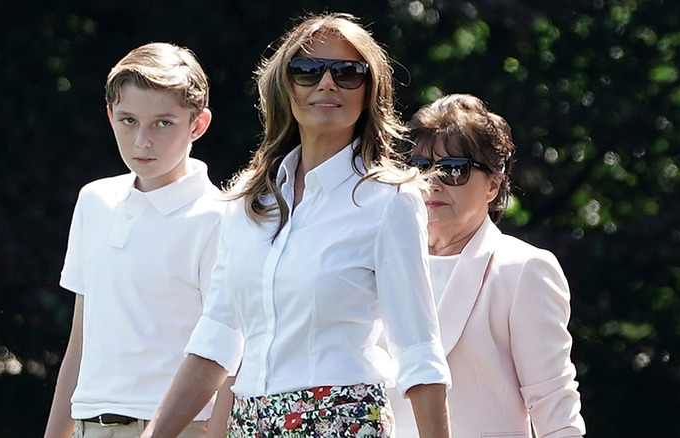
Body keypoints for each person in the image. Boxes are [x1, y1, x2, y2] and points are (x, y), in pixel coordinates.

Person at [142, 12, 452, 438]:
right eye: (307, 70)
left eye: (347, 73)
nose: (326, 83)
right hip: (249, 422)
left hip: (343, 420)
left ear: (370, 91)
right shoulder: (247, 204)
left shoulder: (390, 203)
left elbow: (418, 350)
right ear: (285, 87)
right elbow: (215, 340)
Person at [43, 42, 224, 438]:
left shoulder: (222, 216)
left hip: (184, 428)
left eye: (163, 123)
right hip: (90, 425)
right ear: (110, 117)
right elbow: (80, 341)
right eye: (128, 120)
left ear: (198, 124)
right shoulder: (94, 201)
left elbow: (229, 354)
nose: (143, 140)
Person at [396, 93, 586, 437]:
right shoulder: (383, 265)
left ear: (493, 184)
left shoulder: (524, 270)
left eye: (454, 169)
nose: (433, 181)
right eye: (420, 167)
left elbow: (554, 404)